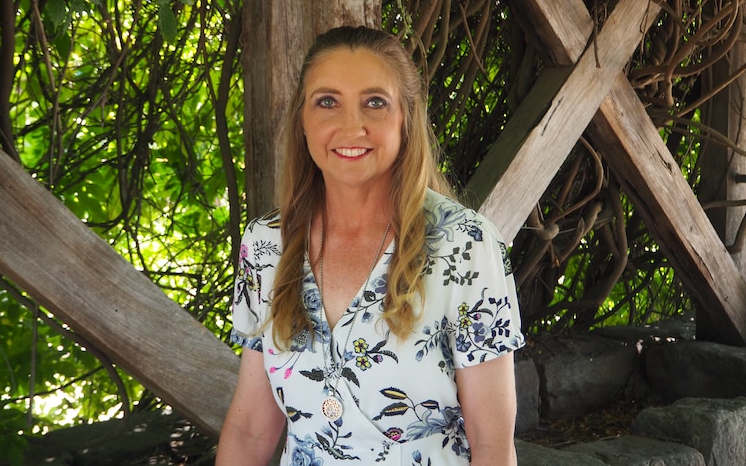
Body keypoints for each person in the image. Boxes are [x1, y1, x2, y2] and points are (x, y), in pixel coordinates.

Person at [216, 25, 525, 465]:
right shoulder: (267, 243)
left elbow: (493, 447)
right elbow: (250, 432)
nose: (351, 126)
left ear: (405, 119)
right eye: (327, 102)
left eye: (374, 103)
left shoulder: (465, 246)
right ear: (302, 120)